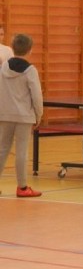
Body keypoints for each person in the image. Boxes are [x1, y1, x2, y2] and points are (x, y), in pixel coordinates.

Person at [0, 34, 44, 198]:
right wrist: (38, 115)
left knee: (2, 150)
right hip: (24, 116)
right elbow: (37, 96)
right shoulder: (30, 70)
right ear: (30, 50)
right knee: (21, 152)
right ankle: (22, 187)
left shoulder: (3, 67)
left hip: (4, 114)